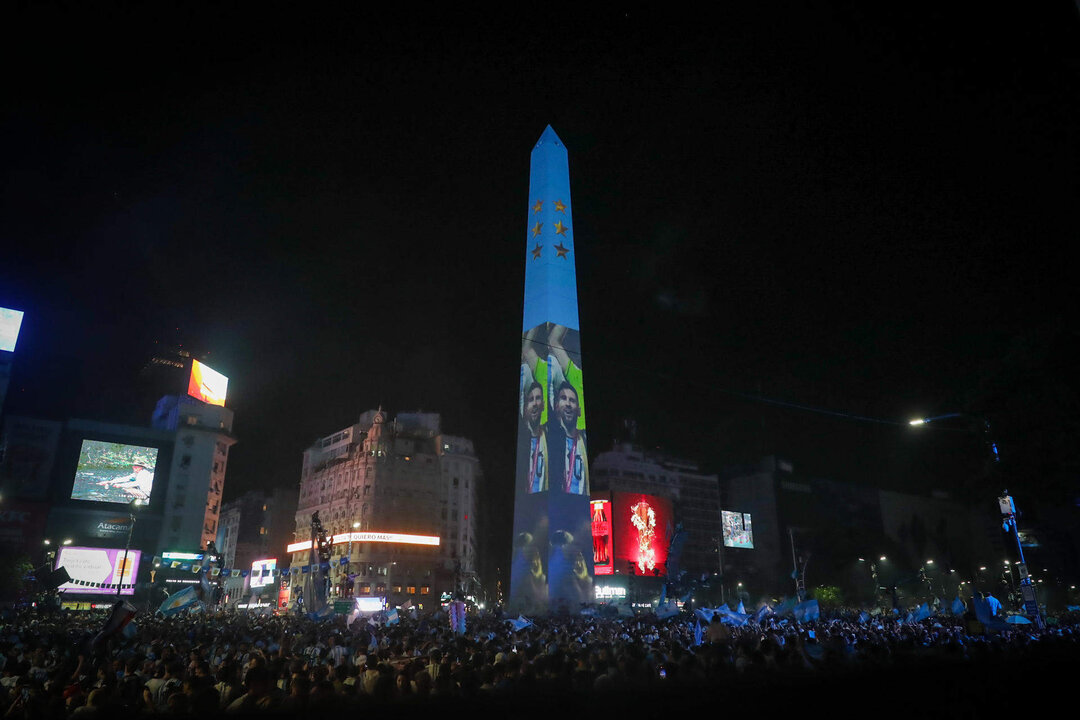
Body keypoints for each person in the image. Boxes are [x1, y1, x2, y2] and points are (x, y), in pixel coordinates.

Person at [546, 382, 588, 495]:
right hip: (558, 502)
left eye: (572, 400)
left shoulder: (584, 440)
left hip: (580, 505)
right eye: (563, 398)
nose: (568, 404)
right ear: (556, 407)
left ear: (579, 411)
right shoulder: (549, 439)